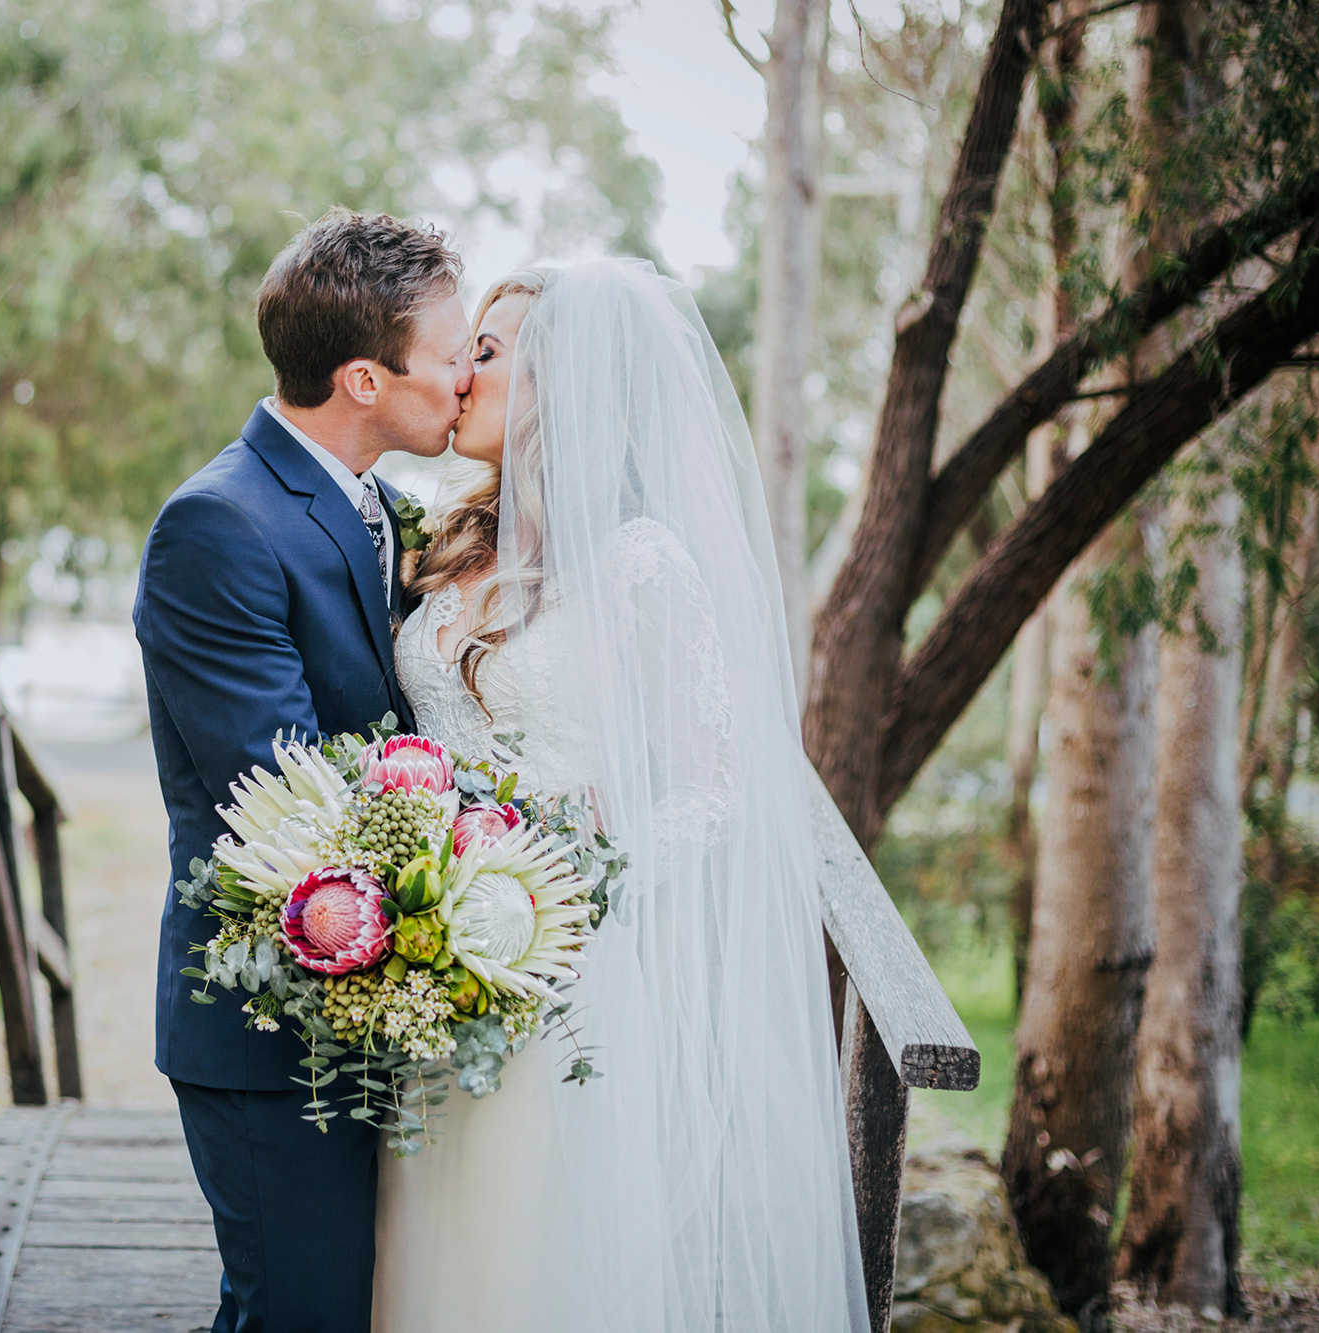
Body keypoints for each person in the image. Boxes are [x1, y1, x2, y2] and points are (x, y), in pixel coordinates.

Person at [375, 259, 872, 1332]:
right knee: (429, 1258)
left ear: (569, 387)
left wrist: (547, 894)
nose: (460, 373)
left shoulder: (641, 565)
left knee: (535, 1265)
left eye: (489, 354)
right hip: (424, 969)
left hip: (565, 979)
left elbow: (710, 787)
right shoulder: (451, 544)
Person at [132, 207, 473, 1333]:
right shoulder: (216, 525)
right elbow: (288, 796)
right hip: (267, 1028)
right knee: (296, 1313)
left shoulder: (373, 504)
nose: (465, 378)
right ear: (366, 379)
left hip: (370, 1011)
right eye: (450, 353)